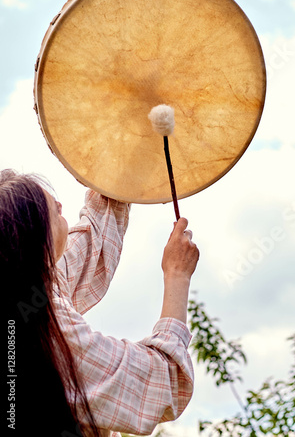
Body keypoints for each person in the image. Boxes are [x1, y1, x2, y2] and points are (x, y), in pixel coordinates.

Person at [2, 169, 199, 437]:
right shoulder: (45, 330)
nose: (61, 206)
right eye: (53, 209)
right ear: (34, 239)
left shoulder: (27, 290)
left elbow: (96, 237)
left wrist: (118, 154)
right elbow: (162, 383)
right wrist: (177, 275)